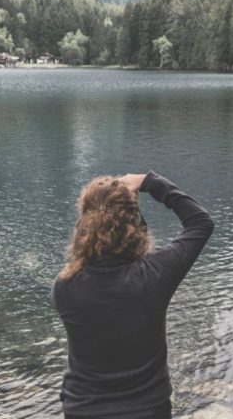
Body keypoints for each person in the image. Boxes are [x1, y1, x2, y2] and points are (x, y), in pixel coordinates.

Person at [50, 169, 215, 419]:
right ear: (134, 226)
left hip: (82, 410)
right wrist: (150, 182)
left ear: (84, 224)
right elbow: (200, 223)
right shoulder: (154, 276)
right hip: (148, 411)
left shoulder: (64, 287)